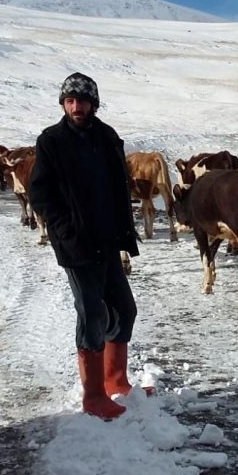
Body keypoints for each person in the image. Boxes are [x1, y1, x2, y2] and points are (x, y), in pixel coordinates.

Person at [28, 72, 150, 420]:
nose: (76, 107)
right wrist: (65, 230)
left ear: (93, 104)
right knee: (92, 313)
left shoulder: (108, 137)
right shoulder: (52, 141)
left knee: (124, 309)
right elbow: (40, 193)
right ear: (64, 104)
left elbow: (118, 187)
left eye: (82, 101)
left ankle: (115, 379)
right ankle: (94, 394)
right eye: (70, 101)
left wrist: (124, 230)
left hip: (109, 241)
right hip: (77, 245)